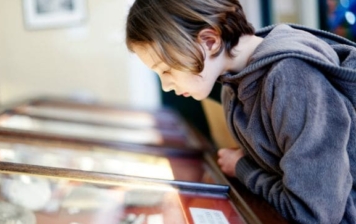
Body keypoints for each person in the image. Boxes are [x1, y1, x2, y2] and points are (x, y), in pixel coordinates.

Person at [125, 0, 356, 223]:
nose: (166, 86)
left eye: (166, 70)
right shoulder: (232, 86)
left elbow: (311, 213)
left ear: (209, 40)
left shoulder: (292, 77)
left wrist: (243, 169)